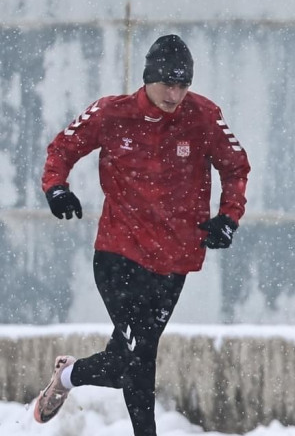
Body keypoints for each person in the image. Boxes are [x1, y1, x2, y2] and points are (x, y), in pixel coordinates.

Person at [34, 34, 250, 436]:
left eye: (183, 84)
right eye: (168, 82)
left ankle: (68, 376)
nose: (175, 93)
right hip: (119, 255)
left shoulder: (203, 115)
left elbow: (236, 167)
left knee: (123, 363)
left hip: (173, 263)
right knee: (141, 357)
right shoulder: (111, 113)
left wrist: (229, 216)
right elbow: (62, 148)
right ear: (149, 77)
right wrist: (56, 188)